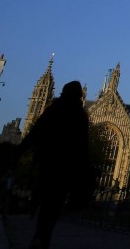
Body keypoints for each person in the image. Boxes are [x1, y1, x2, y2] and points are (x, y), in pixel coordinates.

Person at [18, 80, 92, 249]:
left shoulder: (54, 110)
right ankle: (43, 238)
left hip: (49, 164)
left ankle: (39, 237)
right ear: (80, 97)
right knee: (54, 205)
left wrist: (20, 152)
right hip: (66, 168)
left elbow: (36, 132)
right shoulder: (80, 115)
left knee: (47, 203)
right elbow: (83, 146)